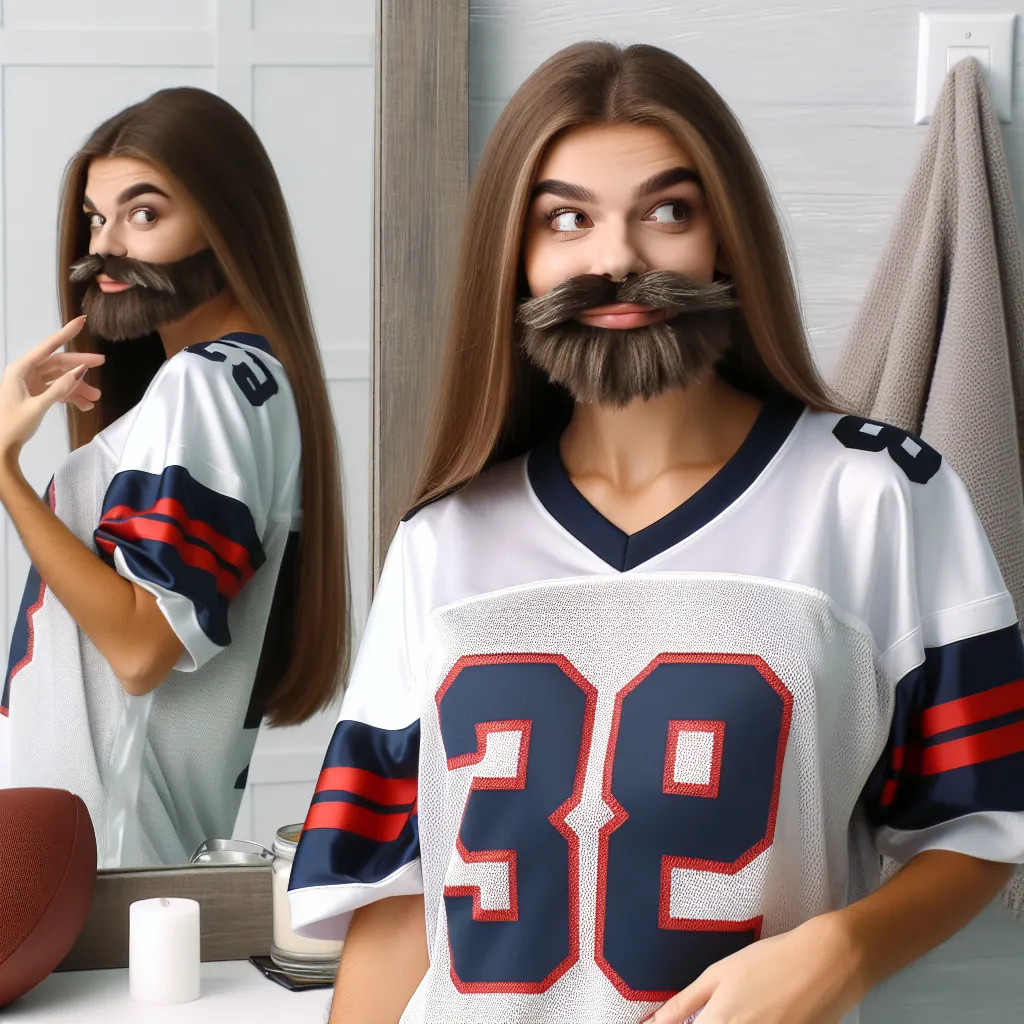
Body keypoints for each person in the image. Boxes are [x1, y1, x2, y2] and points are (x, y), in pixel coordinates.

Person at [287, 42, 1024, 1024]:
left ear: (725, 236)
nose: (618, 258)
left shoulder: (882, 496)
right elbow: (395, 904)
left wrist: (840, 951)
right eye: (566, 219)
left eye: (666, 211)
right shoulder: (441, 542)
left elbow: (980, 826)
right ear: (518, 257)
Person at [0, 87, 349, 868]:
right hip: (95, 855)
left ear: (227, 225)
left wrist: (7, 476)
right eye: (96, 217)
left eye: (144, 214)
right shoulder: (241, 382)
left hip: (94, 865)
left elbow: (140, 647)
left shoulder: (208, 384)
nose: (106, 246)